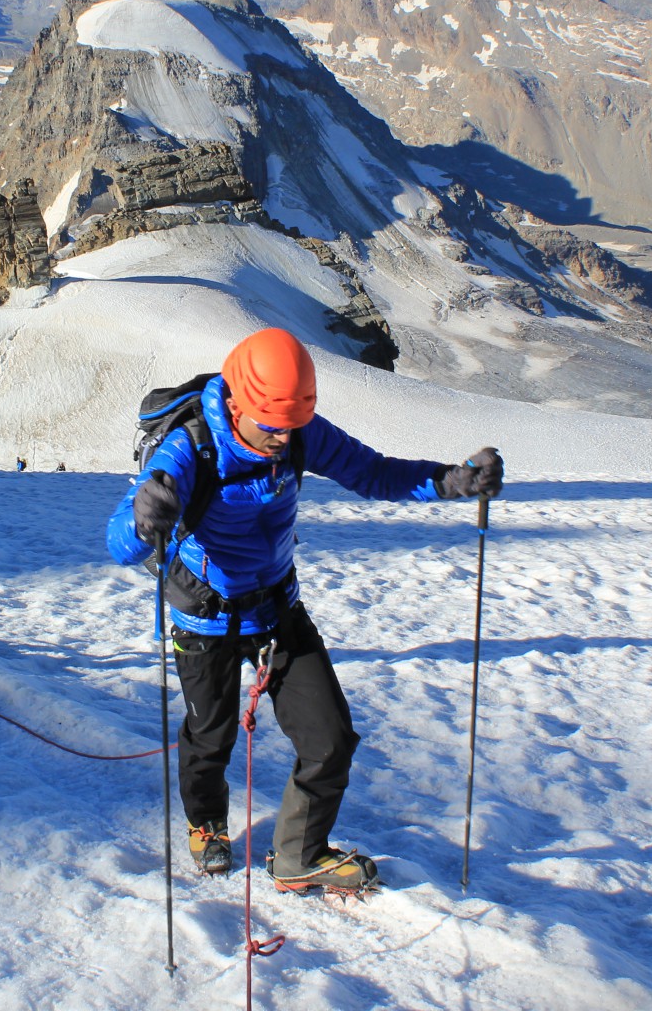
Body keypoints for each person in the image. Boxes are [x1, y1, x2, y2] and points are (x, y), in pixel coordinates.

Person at [106, 328, 502, 894]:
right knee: (209, 736)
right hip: (207, 620)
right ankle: (206, 824)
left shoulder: (295, 430)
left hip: (277, 610)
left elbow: (373, 472)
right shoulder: (189, 448)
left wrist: (448, 480)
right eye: (272, 426)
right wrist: (145, 517)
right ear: (239, 404)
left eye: (291, 426)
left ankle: (297, 854)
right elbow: (120, 544)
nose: (281, 439)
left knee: (331, 740)